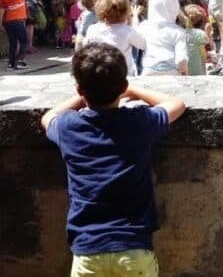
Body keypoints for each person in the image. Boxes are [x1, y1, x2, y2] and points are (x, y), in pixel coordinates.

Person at [41, 42, 186, 277]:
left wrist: (83, 96)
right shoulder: (139, 122)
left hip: (88, 249)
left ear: (80, 90)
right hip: (134, 247)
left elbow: (49, 117)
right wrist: (134, 91)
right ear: (122, 86)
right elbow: (176, 104)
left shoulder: (69, 128)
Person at [84, 0, 148, 77]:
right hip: (123, 77)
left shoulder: (92, 29)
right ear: (125, 10)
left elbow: (86, 50)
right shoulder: (127, 31)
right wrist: (135, 20)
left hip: (101, 75)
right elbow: (143, 44)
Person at [138, 0, 189, 76]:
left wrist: (135, 17)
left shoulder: (144, 26)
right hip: (172, 70)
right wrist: (185, 76)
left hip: (149, 69)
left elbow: (139, 43)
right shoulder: (178, 31)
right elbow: (182, 59)